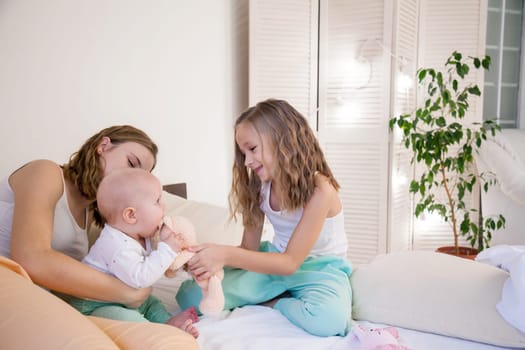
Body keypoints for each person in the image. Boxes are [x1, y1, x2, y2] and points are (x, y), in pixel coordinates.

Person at [0, 125, 198, 349]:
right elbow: (31, 257)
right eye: (132, 164)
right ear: (102, 146)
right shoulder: (45, 172)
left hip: (41, 297)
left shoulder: (98, 220)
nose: (132, 176)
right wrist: (128, 294)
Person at [176, 99, 352, 337]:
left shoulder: (320, 189)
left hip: (319, 269)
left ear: (283, 140)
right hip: (273, 262)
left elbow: (291, 263)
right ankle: (276, 292)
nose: (247, 161)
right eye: (243, 153)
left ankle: (276, 301)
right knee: (189, 296)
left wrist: (223, 253)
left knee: (329, 321)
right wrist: (207, 257)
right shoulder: (259, 188)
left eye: (252, 149)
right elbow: (248, 248)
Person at [67, 167, 199, 338]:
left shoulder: (141, 235)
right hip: (95, 305)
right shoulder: (115, 245)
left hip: (125, 298)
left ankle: (167, 323)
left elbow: (158, 264)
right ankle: (156, 335)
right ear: (131, 215)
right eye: (157, 201)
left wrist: (180, 255)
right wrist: (168, 249)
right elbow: (140, 278)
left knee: (152, 304)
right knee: (126, 319)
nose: (164, 206)